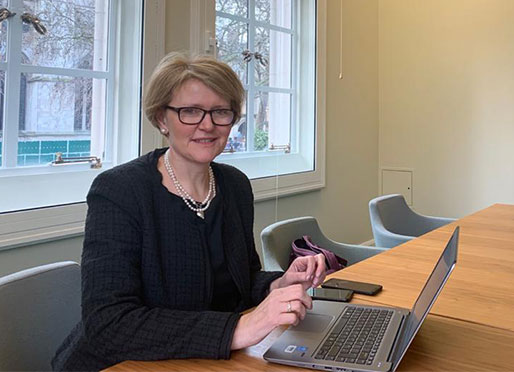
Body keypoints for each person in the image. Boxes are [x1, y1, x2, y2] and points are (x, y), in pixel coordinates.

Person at [52, 52, 326, 371]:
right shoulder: (120, 190)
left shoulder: (234, 186)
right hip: (118, 364)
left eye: (220, 111)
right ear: (160, 119)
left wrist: (276, 285)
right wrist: (240, 329)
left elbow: (239, 280)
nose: (207, 125)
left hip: (203, 360)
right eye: (190, 111)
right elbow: (110, 324)